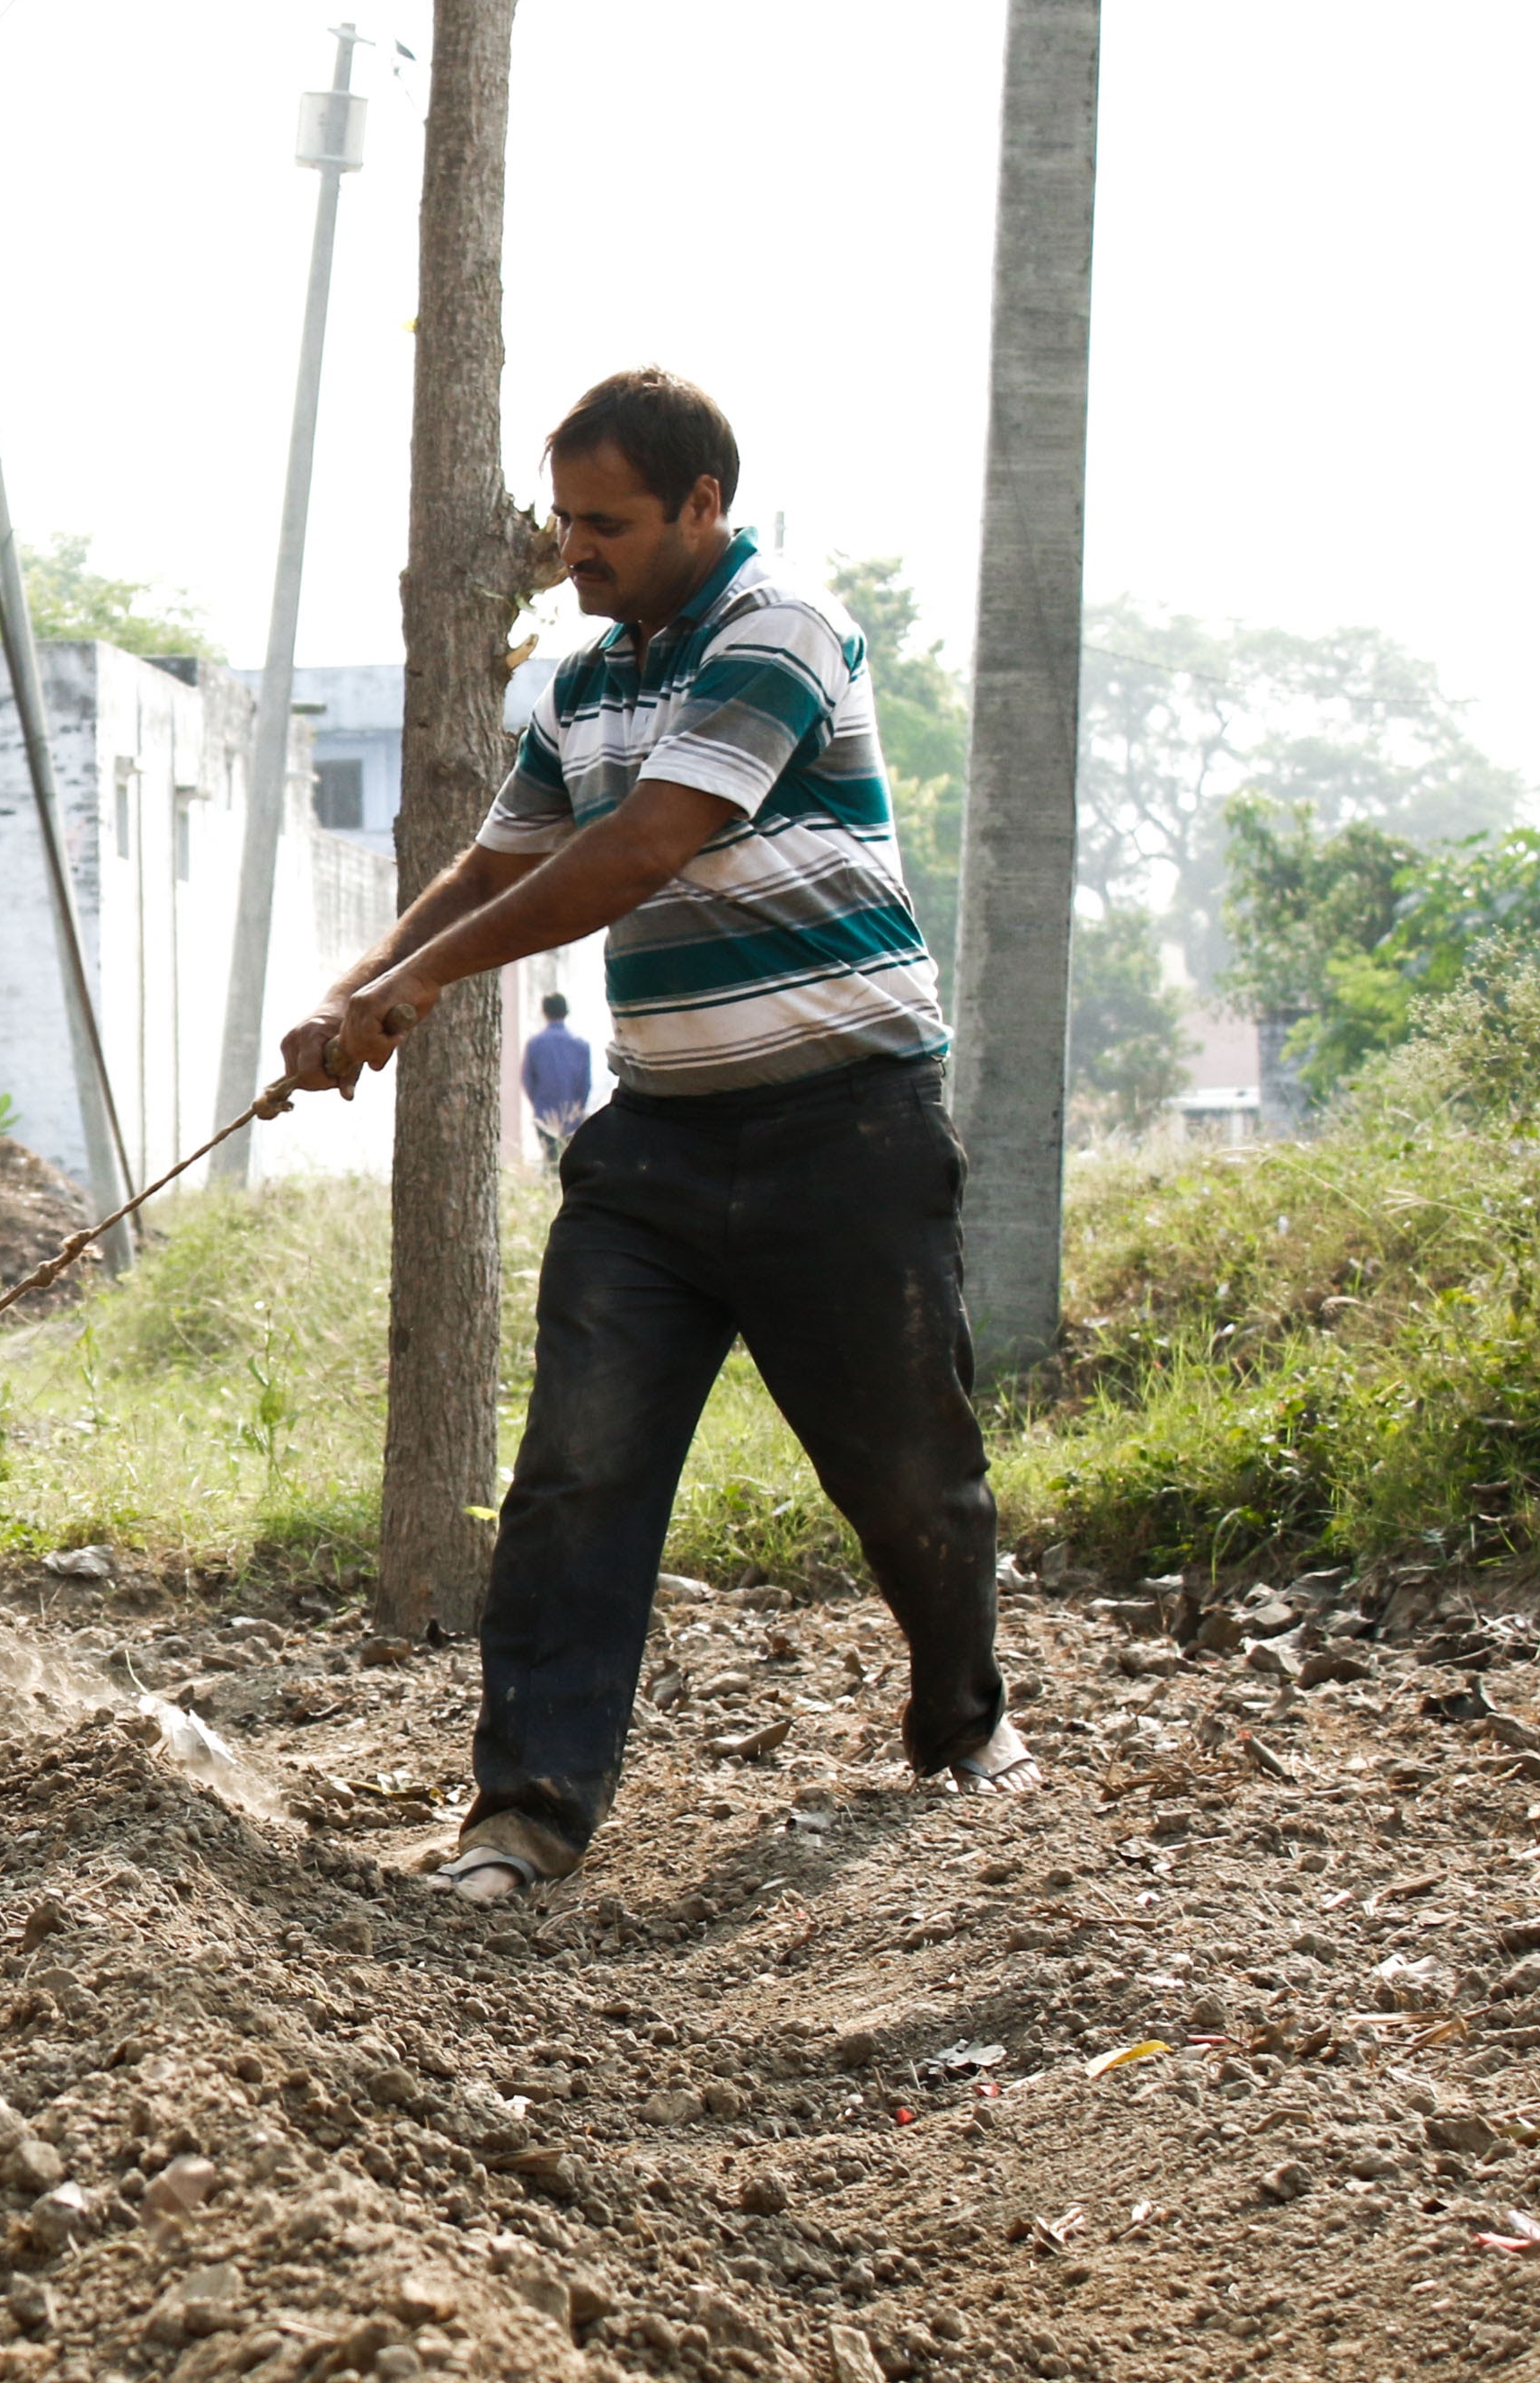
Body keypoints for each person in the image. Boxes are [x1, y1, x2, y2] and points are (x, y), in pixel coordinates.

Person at [278, 367, 1030, 1909]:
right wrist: (349, 992)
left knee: (902, 1468)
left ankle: (962, 1726)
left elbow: (642, 848)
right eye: (560, 522)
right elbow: (498, 862)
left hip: (845, 1133)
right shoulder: (574, 685)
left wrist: (415, 985)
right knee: (575, 1472)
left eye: (605, 523)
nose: (574, 552)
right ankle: (525, 1810)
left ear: (702, 503)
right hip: (656, 1154)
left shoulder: (781, 637)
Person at [520, 992, 596, 1167]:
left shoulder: (535, 1044)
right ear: (566, 1012)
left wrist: (538, 1102)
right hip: (573, 1116)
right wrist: (578, 1108)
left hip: (544, 1115)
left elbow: (527, 1080)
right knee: (571, 1164)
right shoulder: (581, 1045)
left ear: (544, 1012)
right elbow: (586, 1084)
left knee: (550, 1163)